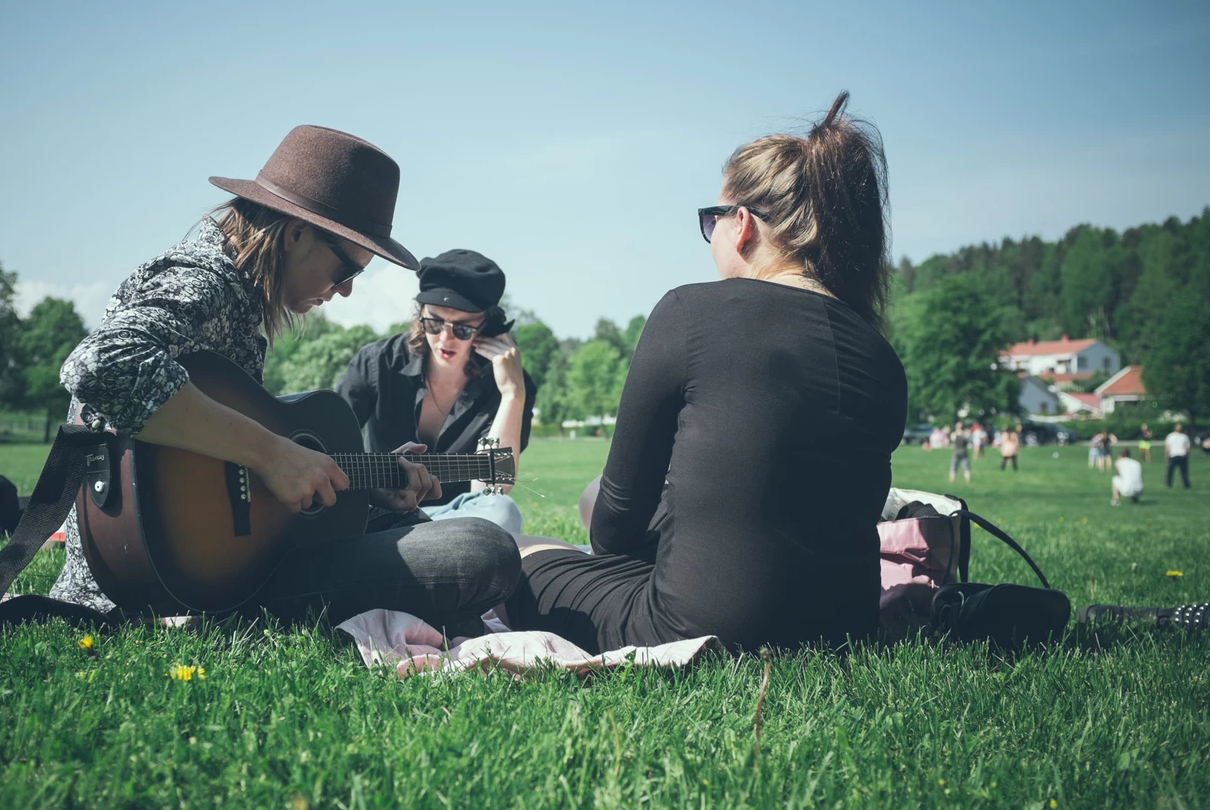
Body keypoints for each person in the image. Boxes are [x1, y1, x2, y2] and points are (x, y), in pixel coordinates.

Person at [48, 126, 521, 637]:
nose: (343, 292)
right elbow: (100, 363)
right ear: (295, 233)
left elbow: (235, 484)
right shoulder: (206, 277)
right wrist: (273, 453)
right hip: (164, 580)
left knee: (452, 540)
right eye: (346, 269)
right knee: (478, 550)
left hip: (208, 568)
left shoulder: (240, 298)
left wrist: (363, 488)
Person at [506, 92, 907, 654]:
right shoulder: (878, 354)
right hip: (842, 631)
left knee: (515, 552)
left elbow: (614, 528)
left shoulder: (691, 312)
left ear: (741, 225)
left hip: (697, 626)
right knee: (596, 499)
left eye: (709, 219)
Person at [335, 250, 536, 534]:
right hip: (379, 514)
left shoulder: (507, 385)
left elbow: (493, 485)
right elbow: (328, 444)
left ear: (487, 327)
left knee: (502, 510)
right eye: (434, 322)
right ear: (420, 315)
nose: (445, 338)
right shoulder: (377, 363)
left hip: (457, 519)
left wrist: (512, 395)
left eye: (463, 328)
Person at [1165, 422, 1191, 489]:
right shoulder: (1172, 436)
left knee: (1181, 472)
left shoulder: (1183, 436)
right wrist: (1167, 455)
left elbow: (1187, 448)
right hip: (1177, 455)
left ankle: (1185, 485)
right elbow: (1168, 447)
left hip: (1178, 455)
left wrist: (1187, 455)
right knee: (1173, 471)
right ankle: (1170, 484)